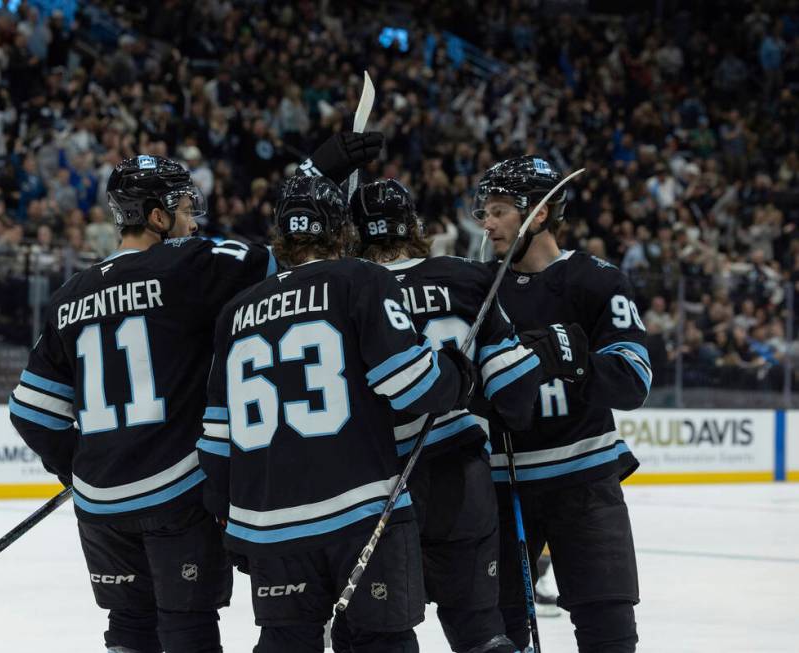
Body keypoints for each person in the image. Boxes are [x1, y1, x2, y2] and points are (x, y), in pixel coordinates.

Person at [198, 174, 477, 653]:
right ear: (341, 229)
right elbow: (411, 386)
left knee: (285, 642)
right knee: (381, 642)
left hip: (268, 523)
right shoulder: (362, 279)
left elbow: (217, 441)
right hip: (360, 509)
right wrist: (457, 374)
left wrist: (234, 523)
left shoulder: (236, 311)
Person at [9, 154, 275, 653]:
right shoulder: (189, 265)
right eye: (182, 208)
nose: (193, 221)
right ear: (156, 216)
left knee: (129, 626)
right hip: (177, 494)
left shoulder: (70, 296)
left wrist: (82, 470)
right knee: (186, 625)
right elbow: (277, 262)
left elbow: (30, 411)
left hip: (101, 507)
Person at [344, 178, 541, 653]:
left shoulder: (344, 289)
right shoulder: (466, 277)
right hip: (462, 477)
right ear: (413, 225)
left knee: (376, 636)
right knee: (481, 633)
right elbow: (516, 396)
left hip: (377, 486)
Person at [474, 156, 650, 653]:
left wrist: (578, 363)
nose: (487, 223)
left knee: (610, 634)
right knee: (500, 638)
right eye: (485, 211)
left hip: (586, 484)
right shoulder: (477, 288)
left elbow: (633, 381)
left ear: (541, 213)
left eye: (500, 210)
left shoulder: (597, 280)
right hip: (502, 492)